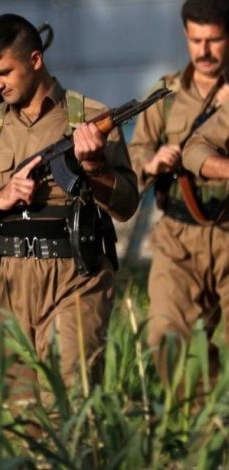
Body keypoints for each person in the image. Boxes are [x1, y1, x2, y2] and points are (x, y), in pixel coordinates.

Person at [0, 14, 138, 404]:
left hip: (76, 277)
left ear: (36, 60)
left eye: (4, 73)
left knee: (69, 405)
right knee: (22, 415)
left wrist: (95, 167)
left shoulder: (89, 118)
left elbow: (126, 204)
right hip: (7, 285)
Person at [128, 0, 229, 384]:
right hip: (178, 238)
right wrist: (153, 162)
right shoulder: (165, 93)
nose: (204, 51)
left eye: (214, 40)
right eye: (195, 40)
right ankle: (202, 416)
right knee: (168, 340)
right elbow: (135, 155)